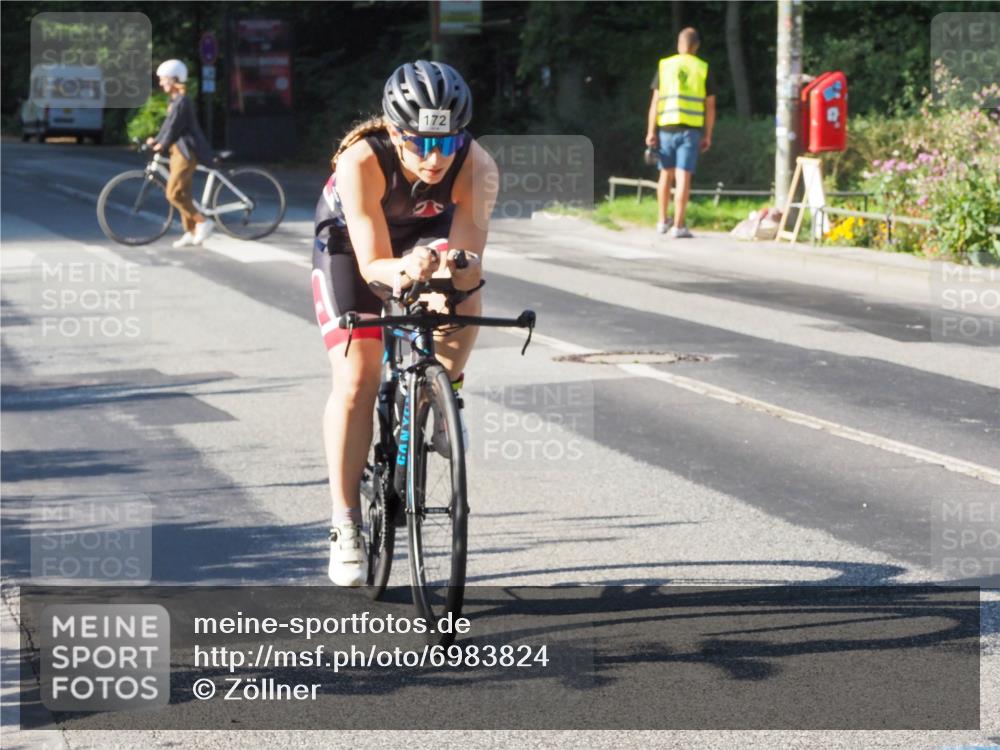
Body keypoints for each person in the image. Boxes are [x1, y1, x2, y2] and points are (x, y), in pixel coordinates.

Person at [311, 60, 498, 586]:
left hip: (426, 235)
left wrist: (453, 264)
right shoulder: (361, 160)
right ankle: (345, 523)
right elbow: (373, 265)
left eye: (447, 143)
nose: (435, 158)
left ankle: (444, 394)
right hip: (354, 247)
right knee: (357, 377)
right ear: (394, 132)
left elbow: (469, 258)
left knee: (464, 287)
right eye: (420, 144)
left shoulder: (477, 165)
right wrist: (404, 269)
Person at [645, 27, 717, 239]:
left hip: (666, 128)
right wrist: (708, 134)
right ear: (696, 46)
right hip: (691, 129)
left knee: (665, 174)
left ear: (679, 44)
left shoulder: (665, 65)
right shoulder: (702, 68)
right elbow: (710, 106)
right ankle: (678, 225)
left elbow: (655, 102)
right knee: (683, 176)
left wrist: (651, 130)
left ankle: (661, 221)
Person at [147, 59, 215, 248]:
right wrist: (157, 140)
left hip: (187, 153)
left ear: (174, 79)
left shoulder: (182, 101)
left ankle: (202, 221)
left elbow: (175, 127)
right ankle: (190, 230)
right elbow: (168, 126)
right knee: (184, 193)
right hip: (177, 151)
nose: (160, 83)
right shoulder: (175, 100)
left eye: (163, 79)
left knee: (173, 193)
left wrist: (162, 143)